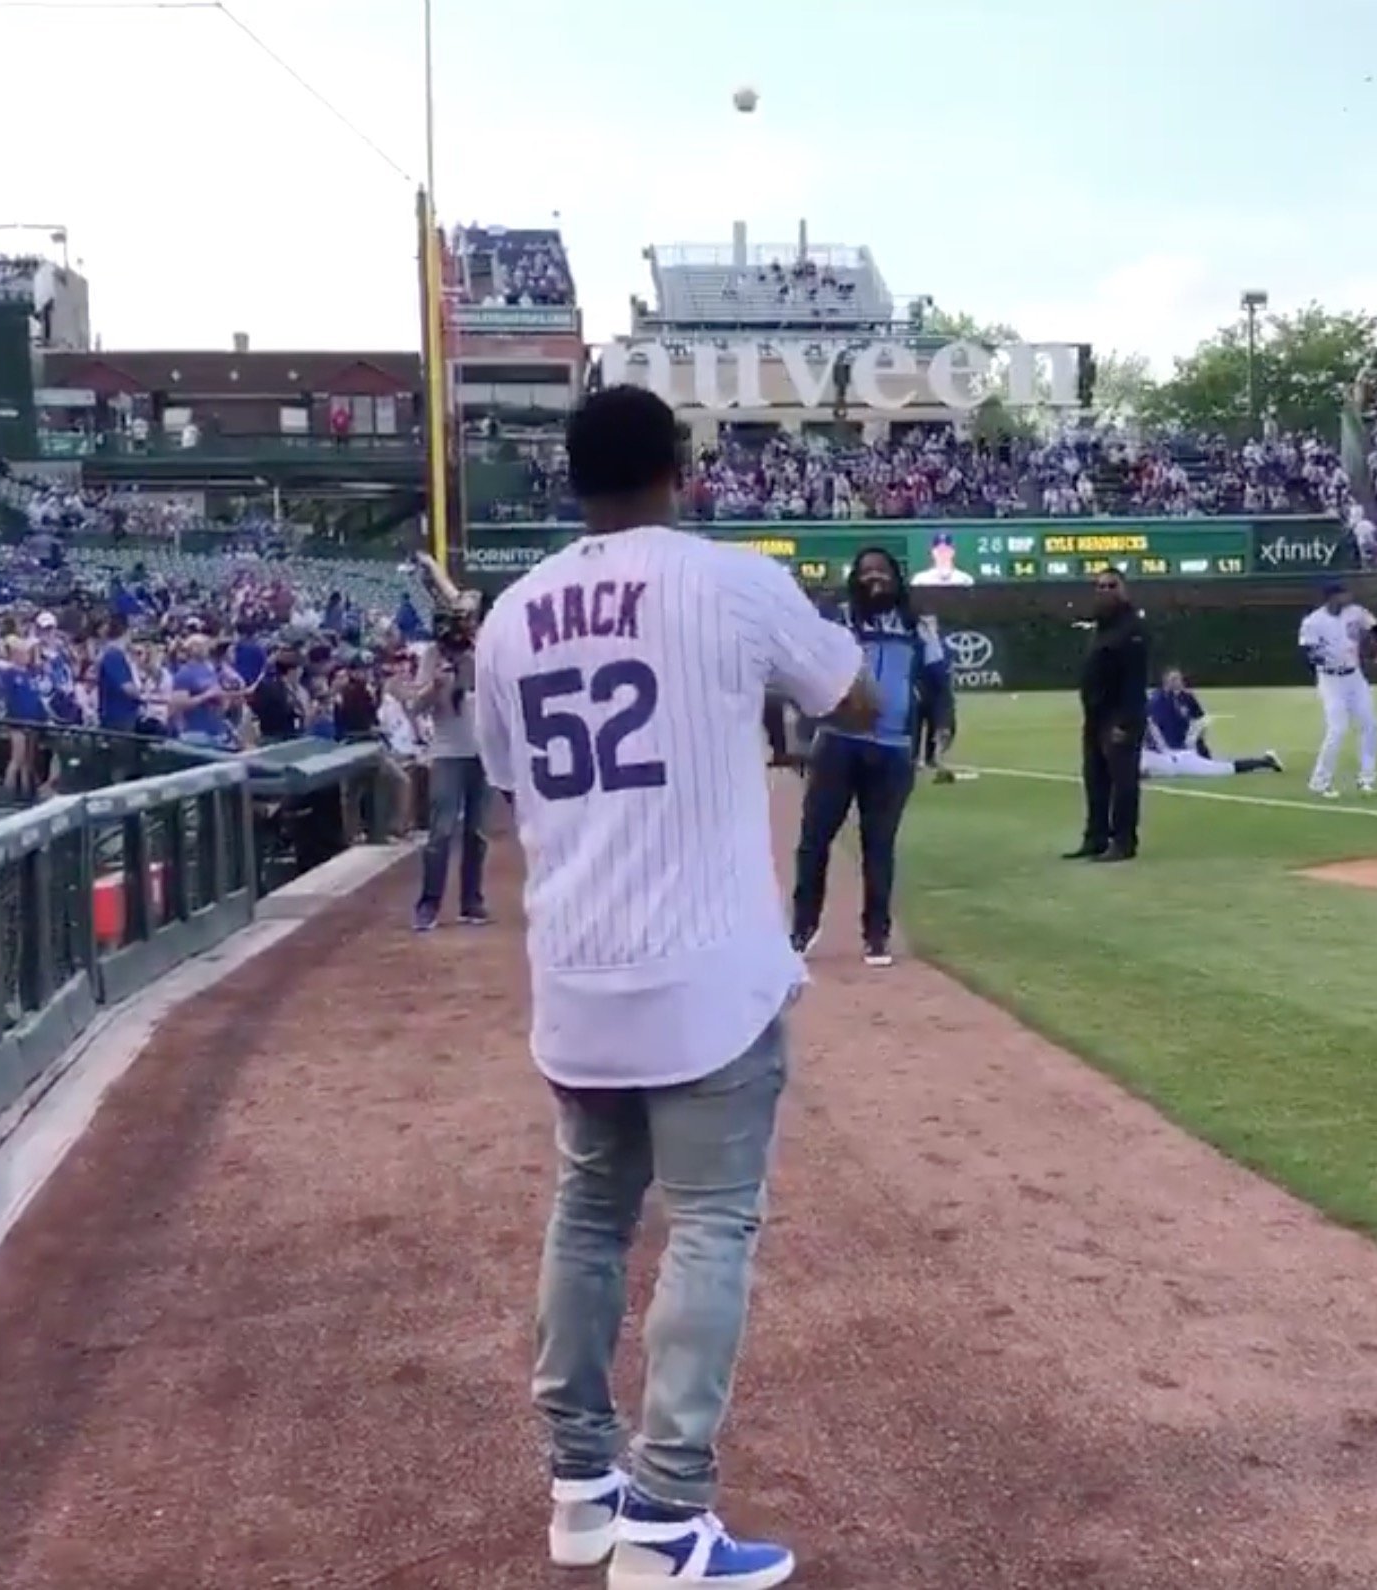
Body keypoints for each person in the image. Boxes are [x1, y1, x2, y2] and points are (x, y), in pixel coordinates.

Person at [473, 385, 870, 1590]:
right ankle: (667, 1519)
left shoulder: (509, 614)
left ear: (572, 480)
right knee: (709, 1224)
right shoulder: (727, 577)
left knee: (589, 1216)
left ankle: (581, 1490)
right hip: (706, 970)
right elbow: (852, 694)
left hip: (576, 967)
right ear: (680, 467)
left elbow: (504, 786)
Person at [789, 545, 952, 968]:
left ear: (896, 577)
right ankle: (803, 925)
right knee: (814, 840)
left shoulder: (918, 625)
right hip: (838, 740)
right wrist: (804, 728)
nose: (873, 578)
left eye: (881, 571)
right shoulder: (837, 618)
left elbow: (937, 681)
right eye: (865, 572)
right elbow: (807, 669)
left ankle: (876, 933)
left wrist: (943, 725)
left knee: (879, 844)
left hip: (894, 747)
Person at [410, 599, 491, 932]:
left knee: (477, 831)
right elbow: (416, 706)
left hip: (480, 752)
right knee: (441, 830)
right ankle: (429, 902)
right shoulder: (432, 657)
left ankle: (471, 900)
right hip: (447, 752)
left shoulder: (481, 653)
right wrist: (436, 685)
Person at [1067, 568, 1150, 862]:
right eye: (1099, 586)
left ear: (1122, 589)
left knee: (1123, 782)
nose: (1104, 590)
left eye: (1110, 585)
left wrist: (1125, 722)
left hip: (1118, 716)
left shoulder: (1132, 629)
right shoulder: (1102, 626)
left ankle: (1124, 841)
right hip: (1096, 715)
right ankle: (1096, 836)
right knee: (1095, 778)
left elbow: (1134, 680)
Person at [1298, 581, 1377, 798]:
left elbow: (1376, 628)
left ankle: (1367, 780)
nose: (1348, 597)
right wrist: (1322, 657)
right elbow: (1307, 652)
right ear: (1331, 597)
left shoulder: (1355, 612)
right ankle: (1320, 782)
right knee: (1337, 729)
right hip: (1331, 680)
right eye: (1342, 594)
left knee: (1370, 725)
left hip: (1355, 677)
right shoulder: (1314, 621)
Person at [1141, 668, 1281, 778]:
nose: (1178, 682)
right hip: (1171, 755)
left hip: (1180, 756)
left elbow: (1199, 722)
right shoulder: (1158, 700)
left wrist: (1200, 746)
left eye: (1178, 678)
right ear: (1165, 681)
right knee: (1222, 768)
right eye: (1173, 679)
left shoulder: (1184, 698)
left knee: (1225, 769)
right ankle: (1266, 761)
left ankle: (1266, 761)